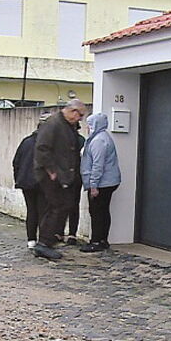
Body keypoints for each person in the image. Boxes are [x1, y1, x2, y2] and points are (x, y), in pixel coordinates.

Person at [32, 99, 87, 260]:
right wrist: (51, 170)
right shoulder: (53, 124)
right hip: (52, 174)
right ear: (72, 111)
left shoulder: (66, 125)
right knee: (56, 207)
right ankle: (44, 243)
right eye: (80, 115)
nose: (80, 119)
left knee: (63, 206)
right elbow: (42, 148)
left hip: (64, 173)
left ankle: (50, 239)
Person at [79, 112, 121, 253]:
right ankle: (103, 240)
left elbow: (98, 165)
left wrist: (93, 185)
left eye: (90, 125)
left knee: (96, 212)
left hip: (102, 183)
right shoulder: (103, 137)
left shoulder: (98, 141)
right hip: (109, 182)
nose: (88, 128)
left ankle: (96, 241)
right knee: (103, 211)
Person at [12, 114, 50, 249]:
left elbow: (16, 162)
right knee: (43, 211)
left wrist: (18, 178)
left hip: (26, 182)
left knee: (32, 210)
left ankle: (31, 239)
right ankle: (42, 240)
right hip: (42, 182)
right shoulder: (48, 144)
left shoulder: (26, 141)